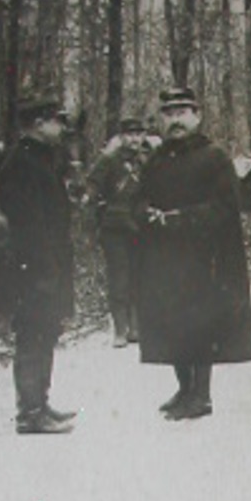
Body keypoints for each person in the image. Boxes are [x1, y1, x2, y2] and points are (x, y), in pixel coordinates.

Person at [135, 84, 251, 421]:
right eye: (169, 114)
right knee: (172, 322)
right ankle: (184, 388)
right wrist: (145, 212)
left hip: (203, 256)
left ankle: (201, 395)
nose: (175, 121)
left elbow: (225, 207)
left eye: (182, 113)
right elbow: (140, 196)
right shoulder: (156, 160)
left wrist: (181, 219)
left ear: (197, 116)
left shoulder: (213, 157)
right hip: (164, 257)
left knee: (199, 322)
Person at [0, 91, 76, 435]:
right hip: (32, 268)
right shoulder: (21, 162)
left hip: (46, 265)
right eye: (57, 120)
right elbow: (28, 225)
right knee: (32, 334)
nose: (61, 127)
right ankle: (29, 412)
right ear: (38, 124)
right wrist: (43, 269)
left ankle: (39, 404)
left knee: (44, 331)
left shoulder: (40, 158)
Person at [86, 115, 149, 346]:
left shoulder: (147, 160)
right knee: (119, 276)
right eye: (130, 134)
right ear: (122, 137)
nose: (135, 139)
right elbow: (92, 184)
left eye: (139, 134)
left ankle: (136, 327)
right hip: (115, 227)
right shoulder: (110, 160)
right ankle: (120, 329)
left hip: (139, 226)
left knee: (138, 274)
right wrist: (90, 206)